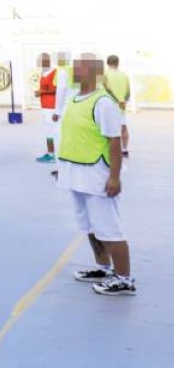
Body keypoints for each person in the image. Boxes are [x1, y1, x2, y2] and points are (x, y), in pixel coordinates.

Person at [58, 54, 135, 296]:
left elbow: (114, 142)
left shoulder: (104, 103)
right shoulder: (74, 98)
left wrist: (115, 177)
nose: (74, 70)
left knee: (109, 228)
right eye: (75, 66)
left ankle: (124, 279)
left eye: (80, 67)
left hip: (96, 175)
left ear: (94, 72)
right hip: (76, 173)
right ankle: (103, 268)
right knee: (90, 226)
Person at [103, 55, 131, 157]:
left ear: (107, 63)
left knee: (108, 128)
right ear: (118, 63)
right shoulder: (124, 75)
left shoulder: (105, 74)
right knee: (123, 127)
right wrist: (123, 101)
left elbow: (106, 90)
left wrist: (116, 100)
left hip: (109, 104)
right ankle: (125, 150)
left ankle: (110, 150)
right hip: (121, 104)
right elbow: (128, 93)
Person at [35, 53, 58, 163]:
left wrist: (42, 91)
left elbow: (58, 89)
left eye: (44, 60)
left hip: (51, 106)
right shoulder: (43, 72)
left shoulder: (55, 72)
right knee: (48, 131)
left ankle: (52, 155)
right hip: (45, 105)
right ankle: (51, 153)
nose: (41, 62)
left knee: (51, 131)